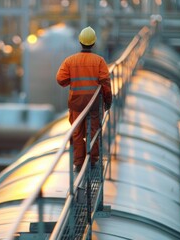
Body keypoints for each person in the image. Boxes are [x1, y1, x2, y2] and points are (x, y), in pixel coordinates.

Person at [56, 26, 112, 172]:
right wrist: (108, 100)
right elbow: (105, 82)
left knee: (77, 133)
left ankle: (79, 164)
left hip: (76, 103)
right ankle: (93, 161)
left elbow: (61, 80)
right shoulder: (99, 61)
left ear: (80, 42)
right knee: (94, 131)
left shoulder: (70, 61)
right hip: (94, 104)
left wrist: (73, 78)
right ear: (93, 43)